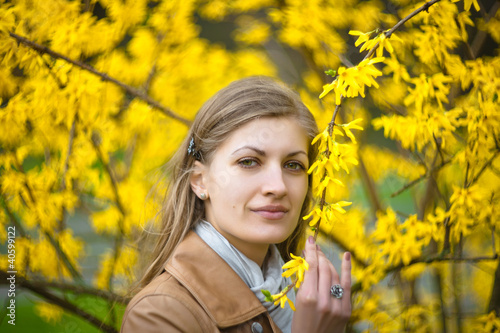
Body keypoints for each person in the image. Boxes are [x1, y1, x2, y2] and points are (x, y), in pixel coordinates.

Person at [121, 76, 351, 333]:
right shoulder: (160, 314)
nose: (278, 186)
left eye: (293, 165)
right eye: (249, 162)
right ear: (200, 181)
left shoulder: (309, 299)